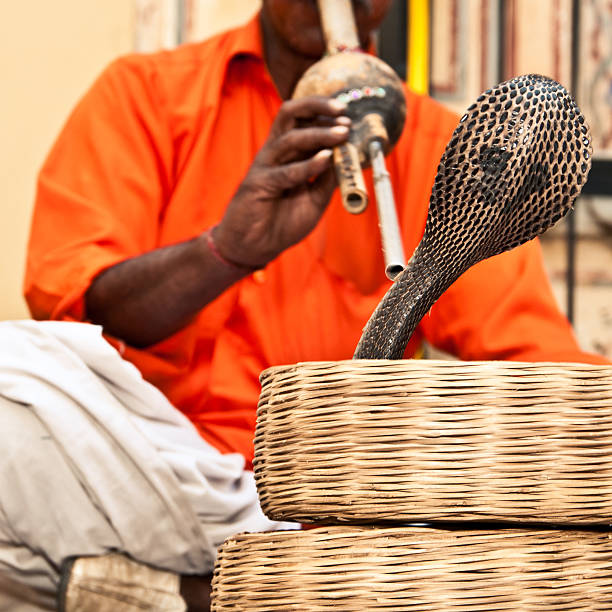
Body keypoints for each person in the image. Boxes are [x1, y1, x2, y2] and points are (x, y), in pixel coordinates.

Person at [8, 0, 608, 609]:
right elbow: (75, 304)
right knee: (12, 374)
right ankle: (229, 595)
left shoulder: (437, 146)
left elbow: (540, 362)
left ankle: (185, 598)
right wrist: (225, 251)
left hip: (331, 511)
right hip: (164, 479)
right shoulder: (146, 94)